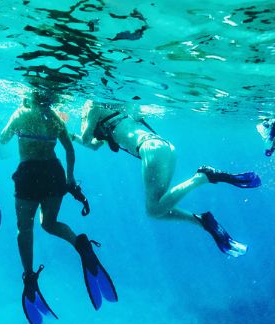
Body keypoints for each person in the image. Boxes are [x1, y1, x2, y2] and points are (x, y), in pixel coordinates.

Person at [76, 101, 261, 257]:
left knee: (153, 210)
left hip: (149, 149)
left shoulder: (92, 106)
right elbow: (95, 146)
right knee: (159, 207)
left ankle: (202, 177)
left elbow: (86, 140)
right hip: (165, 148)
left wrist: (68, 134)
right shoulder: (117, 107)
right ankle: (202, 220)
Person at [0, 89, 114, 324]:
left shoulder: (20, 114)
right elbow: (70, 151)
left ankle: (29, 277)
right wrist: (70, 178)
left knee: (25, 229)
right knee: (49, 223)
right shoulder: (56, 118)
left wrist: (17, 125)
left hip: (28, 174)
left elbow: (3, 138)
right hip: (53, 173)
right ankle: (80, 245)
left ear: (29, 98)